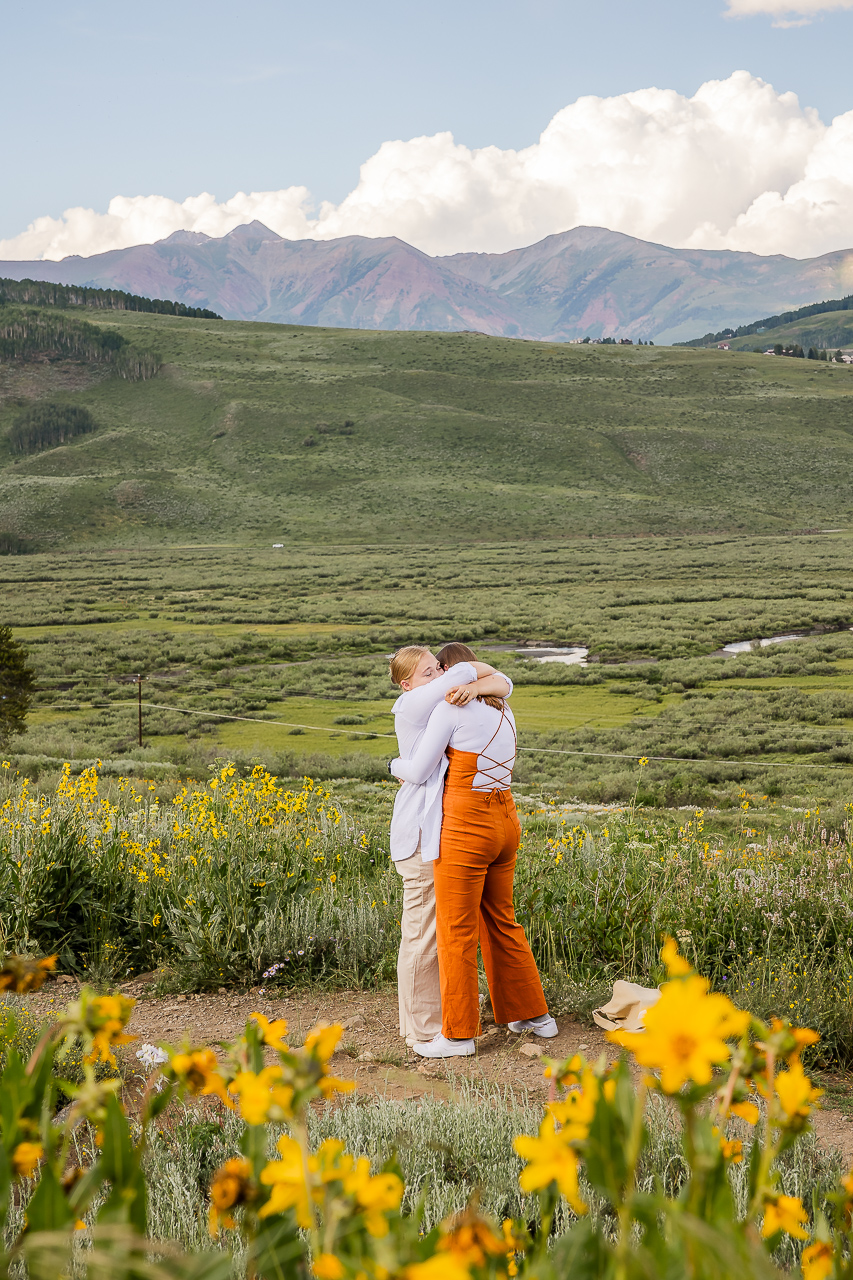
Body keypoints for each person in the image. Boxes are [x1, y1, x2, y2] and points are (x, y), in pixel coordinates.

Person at [389, 648, 556, 1058]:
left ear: (451, 672)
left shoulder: (450, 710)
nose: (440, 679)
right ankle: (535, 1015)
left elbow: (419, 769)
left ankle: (459, 1034)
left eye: (439, 670)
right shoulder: (505, 712)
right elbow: (504, 683)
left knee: (456, 929)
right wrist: (485, 681)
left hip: (467, 826)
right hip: (506, 819)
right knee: (502, 919)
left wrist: (393, 763)